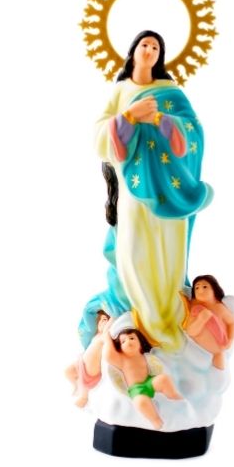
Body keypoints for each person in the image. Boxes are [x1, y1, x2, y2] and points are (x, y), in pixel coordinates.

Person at [87, 30, 213, 352]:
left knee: (168, 253)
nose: (150, 50)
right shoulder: (121, 91)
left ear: (161, 56)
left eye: (156, 47)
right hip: (133, 190)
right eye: (145, 45)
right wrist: (129, 117)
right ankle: (143, 321)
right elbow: (99, 136)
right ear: (133, 51)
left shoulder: (171, 92)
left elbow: (193, 132)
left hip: (168, 189)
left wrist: (161, 119)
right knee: (133, 250)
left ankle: (170, 321)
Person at [102, 320, 182, 430]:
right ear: (120, 348)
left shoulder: (144, 355)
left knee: (163, 379)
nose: (128, 342)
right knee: (141, 402)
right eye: (123, 341)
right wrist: (106, 337)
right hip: (137, 389)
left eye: (132, 338)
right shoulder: (122, 360)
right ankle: (155, 420)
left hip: (149, 381)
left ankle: (174, 396)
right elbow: (108, 354)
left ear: (140, 342)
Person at [183, 275, 234, 370]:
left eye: (205, 287)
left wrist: (230, 339)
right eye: (197, 288)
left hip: (219, 350)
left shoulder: (219, 308)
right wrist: (201, 320)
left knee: (218, 368)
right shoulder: (195, 308)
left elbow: (232, 323)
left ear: (214, 289)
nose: (200, 291)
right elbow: (190, 331)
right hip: (197, 351)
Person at [65, 310, 110, 407]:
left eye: (105, 320)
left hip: (90, 371)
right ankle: (75, 385)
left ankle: (84, 398)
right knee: (67, 372)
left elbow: (109, 327)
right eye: (101, 320)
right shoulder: (96, 335)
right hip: (81, 362)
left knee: (84, 386)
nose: (102, 322)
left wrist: (111, 320)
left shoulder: (105, 337)